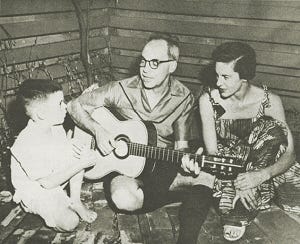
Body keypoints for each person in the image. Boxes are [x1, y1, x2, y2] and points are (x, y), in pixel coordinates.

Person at [67, 33, 215, 242]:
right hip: (123, 165)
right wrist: (98, 130)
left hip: (161, 162)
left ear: (172, 65)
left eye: (155, 63)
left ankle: (179, 200)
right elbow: (75, 105)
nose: (145, 69)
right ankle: (182, 191)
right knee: (123, 199)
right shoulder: (121, 89)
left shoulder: (184, 97)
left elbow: (181, 147)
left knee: (207, 177)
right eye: (143, 61)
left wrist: (185, 161)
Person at [181, 41, 297, 242]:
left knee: (274, 131)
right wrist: (242, 182)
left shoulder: (270, 101)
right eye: (217, 75)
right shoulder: (209, 101)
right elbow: (214, 154)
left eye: (226, 77)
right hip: (228, 168)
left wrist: (260, 176)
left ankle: (258, 195)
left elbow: (289, 154)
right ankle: (246, 204)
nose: (218, 83)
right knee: (233, 206)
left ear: (244, 76)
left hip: (268, 165)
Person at [10, 79, 98, 232]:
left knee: (79, 145)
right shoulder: (25, 144)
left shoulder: (54, 125)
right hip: (38, 191)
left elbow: (59, 150)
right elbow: (48, 184)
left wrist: (70, 145)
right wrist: (81, 164)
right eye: (59, 103)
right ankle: (42, 207)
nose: (65, 106)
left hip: (54, 174)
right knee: (70, 222)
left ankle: (75, 201)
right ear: (42, 114)